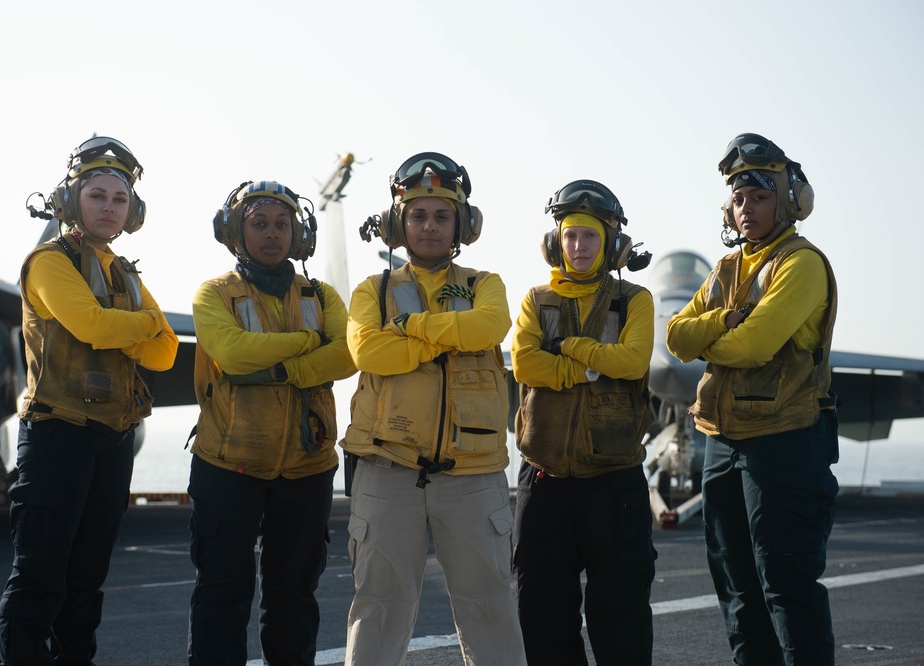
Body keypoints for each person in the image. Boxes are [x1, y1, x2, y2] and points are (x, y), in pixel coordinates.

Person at [0, 137, 178, 665]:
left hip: (111, 438)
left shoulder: (124, 271)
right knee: (39, 575)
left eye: (119, 200)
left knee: (88, 579)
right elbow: (90, 325)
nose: (108, 208)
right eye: (97, 195)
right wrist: (143, 324)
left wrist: (138, 329)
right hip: (57, 433)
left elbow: (165, 354)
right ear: (72, 201)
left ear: (132, 211)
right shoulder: (49, 262)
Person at [340, 152, 526, 666]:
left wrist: (412, 328)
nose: (429, 226)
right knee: (378, 606)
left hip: (473, 474)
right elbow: (368, 353)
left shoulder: (485, 284)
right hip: (387, 469)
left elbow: (488, 327)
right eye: (418, 215)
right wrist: (447, 336)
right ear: (399, 223)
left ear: (461, 224)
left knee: (489, 607)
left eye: (442, 216)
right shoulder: (370, 291)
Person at [666, 133, 838, 665]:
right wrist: (723, 320)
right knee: (739, 593)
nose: (746, 209)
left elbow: (756, 344)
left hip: (785, 442)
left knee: (786, 586)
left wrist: (711, 340)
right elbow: (676, 337)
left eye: (760, 196)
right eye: (738, 199)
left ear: (790, 201)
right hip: (722, 442)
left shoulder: (800, 264)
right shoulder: (726, 270)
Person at [187, 180, 355, 665]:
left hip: (307, 467)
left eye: (282, 224)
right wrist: (308, 341)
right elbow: (234, 356)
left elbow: (348, 353)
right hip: (228, 466)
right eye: (259, 224)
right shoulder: (214, 294)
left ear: (298, 235)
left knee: (294, 596)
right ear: (235, 232)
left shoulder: (321, 294)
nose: (272, 234)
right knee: (222, 592)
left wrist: (285, 369)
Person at [511, 180, 657, 665]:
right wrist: (594, 367)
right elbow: (526, 365)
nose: (579, 247)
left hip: (613, 485)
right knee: (542, 617)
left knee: (622, 620)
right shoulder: (537, 300)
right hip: (545, 482)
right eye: (571, 236)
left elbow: (634, 362)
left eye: (590, 237)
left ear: (612, 244)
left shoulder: (634, 300)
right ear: (556, 242)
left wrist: (570, 348)